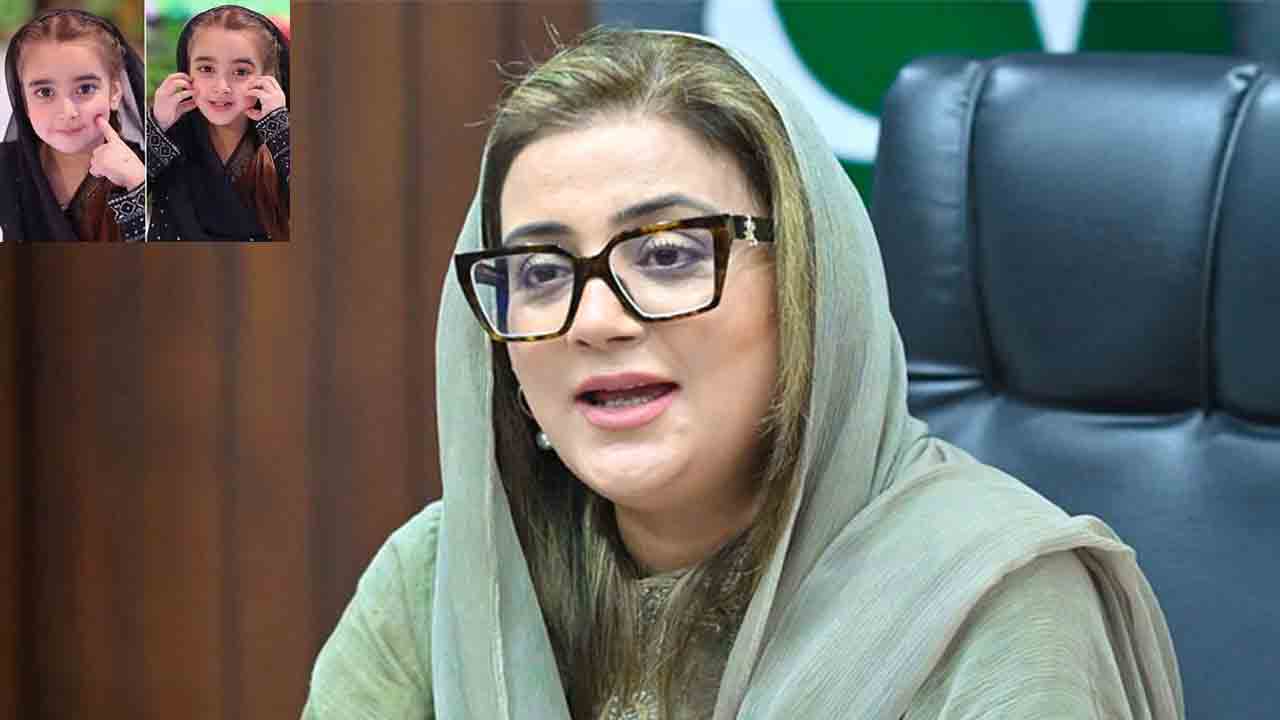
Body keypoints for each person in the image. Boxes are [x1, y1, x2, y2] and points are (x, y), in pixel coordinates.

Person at [303, 29, 1183, 719]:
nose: (595, 319)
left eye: (668, 254)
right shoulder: (445, 576)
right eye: (538, 271)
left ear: (805, 287)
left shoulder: (996, 602)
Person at [146, 4, 289, 242]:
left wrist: (280, 130)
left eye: (241, 72)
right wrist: (156, 126)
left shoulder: (285, 138)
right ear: (185, 71)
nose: (221, 87)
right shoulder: (166, 135)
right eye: (206, 69)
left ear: (268, 78)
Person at [0, 9, 145, 243]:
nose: (67, 112)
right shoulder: (7, 165)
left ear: (114, 92)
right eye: (45, 92)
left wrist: (137, 186)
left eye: (85, 88)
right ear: (23, 100)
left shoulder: (148, 171)